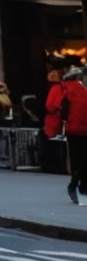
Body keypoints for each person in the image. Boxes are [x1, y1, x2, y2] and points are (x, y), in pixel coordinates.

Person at [46, 68, 87, 204]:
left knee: (76, 158)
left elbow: (52, 106)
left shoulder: (62, 88)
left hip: (72, 128)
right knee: (83, 158)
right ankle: (80, 186)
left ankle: (75, 184)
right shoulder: (83, 88)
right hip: (83, 127)